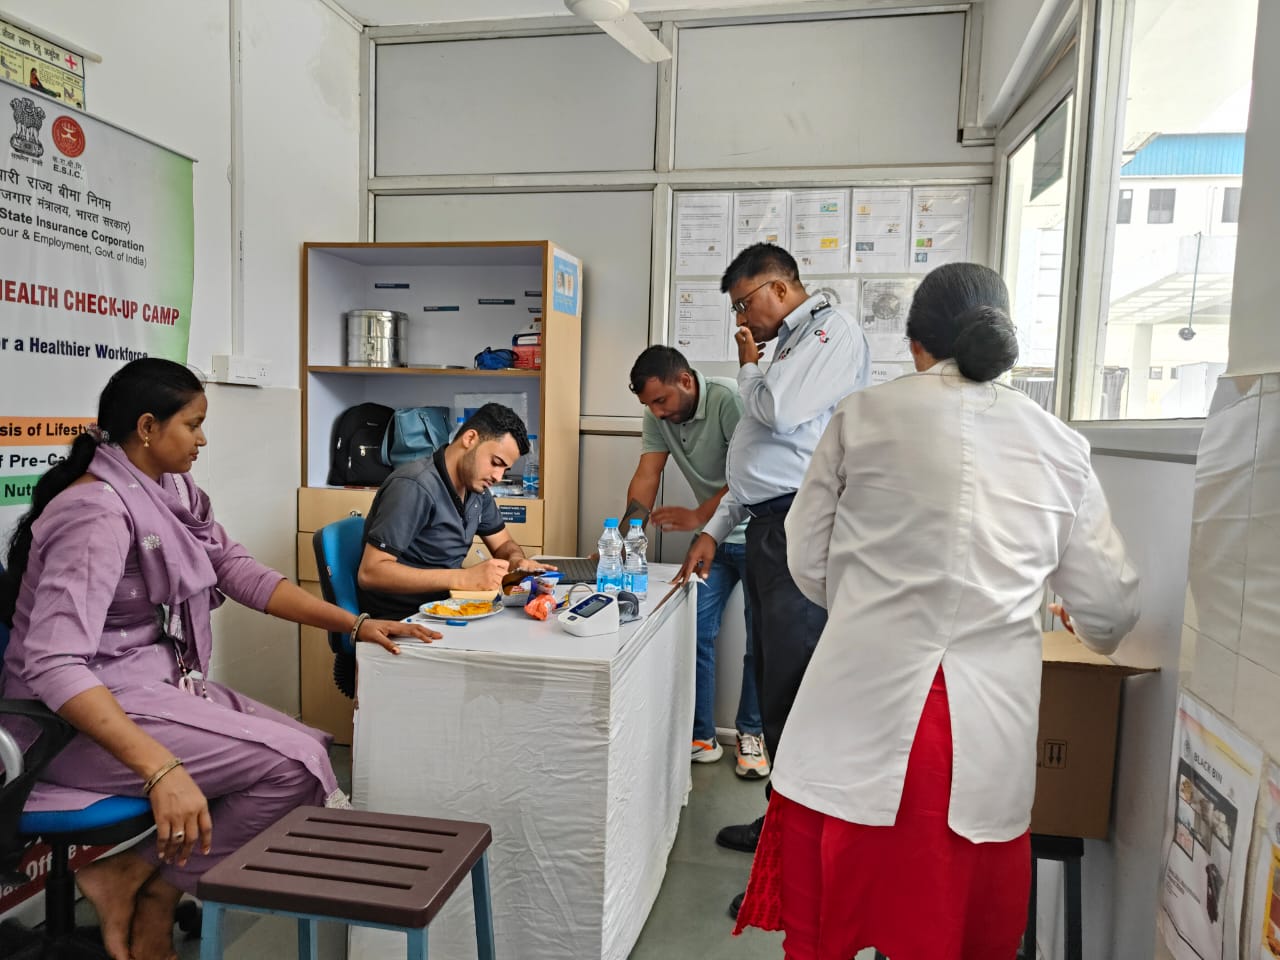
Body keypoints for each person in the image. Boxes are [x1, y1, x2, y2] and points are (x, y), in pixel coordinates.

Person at [732, 262, 1141, 960]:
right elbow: (1108, 613)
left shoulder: (863, 416)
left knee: (831, 933)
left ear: (916, 345)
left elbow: (807, 557)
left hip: (853, 718)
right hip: (981, 746)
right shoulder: (1061, 445)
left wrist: (868, 609)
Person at [0, 358, 437, 960]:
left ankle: (141, 879)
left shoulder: (172, 491)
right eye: (193, 424)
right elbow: (53, 665)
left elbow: (237, 571)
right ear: (147, 428)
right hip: (75, 723)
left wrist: (355, 623)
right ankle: (148, 890)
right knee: (293, 767)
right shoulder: (95, 514)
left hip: (152, 688)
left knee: (308, 751)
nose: (203, 440)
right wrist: (161, 769)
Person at [674, 243, 870, 912]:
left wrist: (749, 365)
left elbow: (779, 414)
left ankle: (801, 860)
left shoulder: (829, 332)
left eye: (744, 303)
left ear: (780, 289)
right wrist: (712, 529)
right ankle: (782, 823)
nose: (741, 319)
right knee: (772, 675)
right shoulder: (789, 344)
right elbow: (758, 462)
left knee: (794, 685)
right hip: (766, 524)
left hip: (798, 527)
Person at [621, 345, 767, 778]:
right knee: (695, 631)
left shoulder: (729, 399)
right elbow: (647, 474)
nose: (657, 412)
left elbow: (752, 471)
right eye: (650, 405)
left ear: (685, 381)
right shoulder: (658, 413)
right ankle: (701, 736)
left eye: (661, 400)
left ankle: (751, 733)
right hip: (712, 541)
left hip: (760, 533)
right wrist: (626, 535)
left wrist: (700, 516)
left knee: (760, 640)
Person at [356, 402, 553, 621]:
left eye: (505, 469)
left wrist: (516, 561)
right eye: (495, 462)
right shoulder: (414, 486)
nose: (498, 476)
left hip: (448, 607)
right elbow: (370, 573)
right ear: (470, 438)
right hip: (403, 619)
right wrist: (463, 578)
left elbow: (503, 544)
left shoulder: (476, 489)